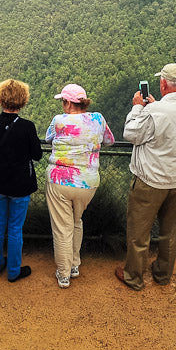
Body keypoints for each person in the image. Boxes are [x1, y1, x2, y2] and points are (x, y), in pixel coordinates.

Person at [116, 63, 176, 290]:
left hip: (151, 181)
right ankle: (163, 274)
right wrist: (155, 108)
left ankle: (134, 276)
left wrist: (138, 108)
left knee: (139, 232)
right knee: (170, 232)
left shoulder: (155, 111)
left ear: (163, 83)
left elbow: (131, 134)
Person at [45, 83, 114, 288]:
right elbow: (109, 140)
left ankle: (64, 274)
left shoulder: (59, 121)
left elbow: (48, 138)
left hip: (60, 180)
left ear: (68, 103)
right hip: (88, 182)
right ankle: (74, 265)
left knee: (62, 229)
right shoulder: (98, 119)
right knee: (76, 221)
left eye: (62, 101)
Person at [0, 79, 43, 282]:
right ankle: (14, 271)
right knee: (15, 228)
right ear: (23, 101)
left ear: (0, 99)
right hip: (20, 184)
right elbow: (37, 155)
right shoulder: (27, 127)